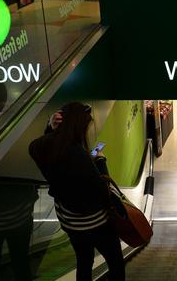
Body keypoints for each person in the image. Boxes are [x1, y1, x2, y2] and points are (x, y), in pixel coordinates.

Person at [29, 102, 125, 281]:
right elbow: (101, 190)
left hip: (70, 222)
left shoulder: (40, 147)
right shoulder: (79, 155)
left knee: (84, 262)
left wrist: (51, 130)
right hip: (96, 222)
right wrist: (100, 162)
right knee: (115, 262)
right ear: (78, 126)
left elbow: (48, 147)